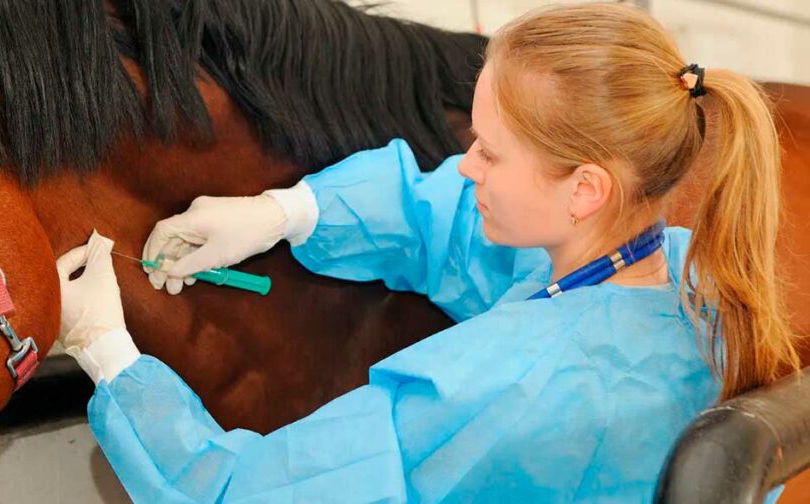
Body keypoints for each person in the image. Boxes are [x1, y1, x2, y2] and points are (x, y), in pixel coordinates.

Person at [55, 4, 799, 502]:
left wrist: (109, 357)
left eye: (490, 153)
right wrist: (283, 211)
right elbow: (451, 224)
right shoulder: (682, 275)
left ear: (585, 189)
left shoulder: (497, 391)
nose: (465, 165)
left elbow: (243, 493)